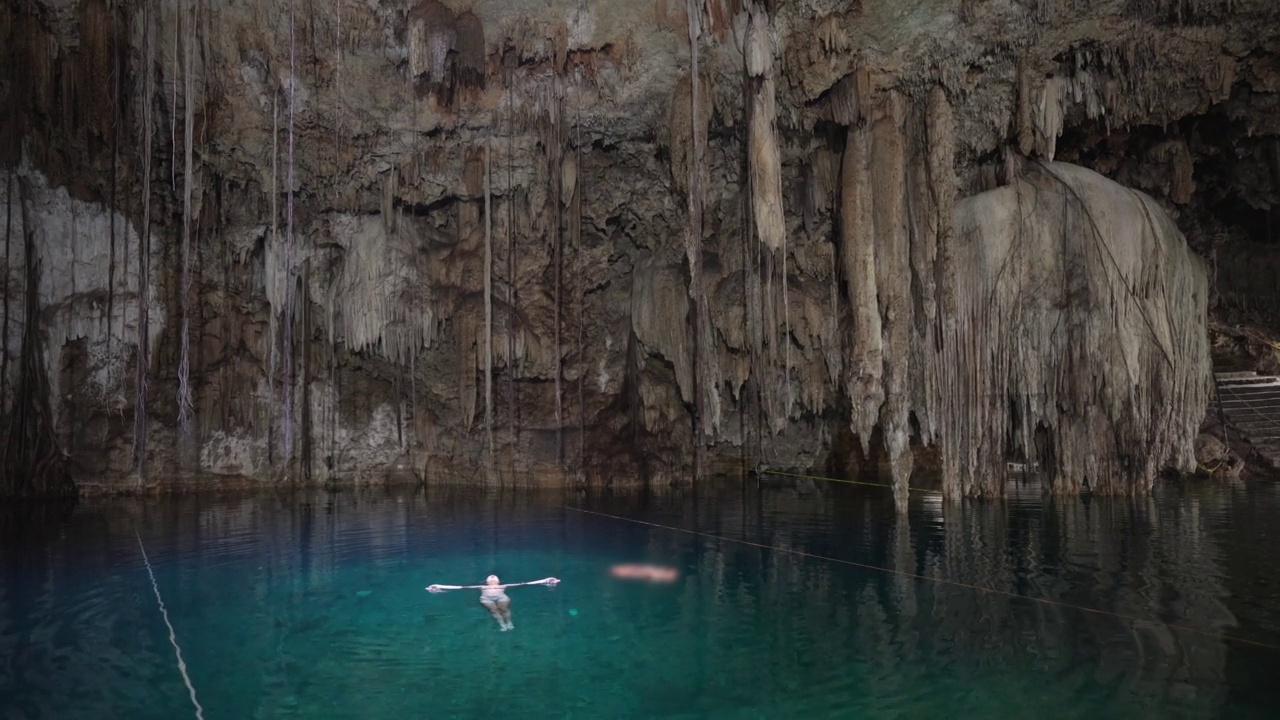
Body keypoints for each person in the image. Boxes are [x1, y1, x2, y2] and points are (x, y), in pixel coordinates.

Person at [426, 575, 559, 631]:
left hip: (502, 597)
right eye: (490, 577)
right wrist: (438, 586)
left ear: (499, 581)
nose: (492, 577)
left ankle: (509, 623)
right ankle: (502, 625)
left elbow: (528, 583)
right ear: (487, 581)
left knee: (505, 609)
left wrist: (547, 580)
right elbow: (459, 587)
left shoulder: (505, 586)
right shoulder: (481, 587)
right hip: (486, 599)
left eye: (494, 576)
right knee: (494, 611)